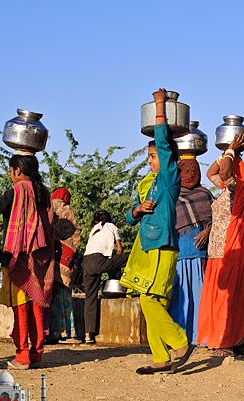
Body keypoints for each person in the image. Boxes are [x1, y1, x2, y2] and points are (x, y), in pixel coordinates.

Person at [120, 88, 194, 374]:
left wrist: (160, 106)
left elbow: (164, 143)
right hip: (146, 248)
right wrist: (137, 211)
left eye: (153, 156)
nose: (150, 161)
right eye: (149, 156)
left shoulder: (168, 176)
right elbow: (130, 215)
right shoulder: (147, 184)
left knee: (149, 300)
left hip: (163, 245)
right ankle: (161, 359)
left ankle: (179, 342)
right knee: (153, 302)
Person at [0, 153, 55, 370]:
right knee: (36, 305)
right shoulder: (43, 192)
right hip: (38, 257)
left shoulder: (17, 190)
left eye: (10, 171)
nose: (10, 175)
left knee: (20, 307)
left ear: (17, 171)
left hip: (18, 256)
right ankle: (36, 355)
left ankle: (22, 356)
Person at [197, 132, 244, 357]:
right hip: (220, 249)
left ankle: (226, 340)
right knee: (230, 296)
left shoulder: (239, 187)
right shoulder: (227, 190)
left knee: (228, 298)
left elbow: (225, 172)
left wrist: (230, 151)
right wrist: (226, 153)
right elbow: (211, 172)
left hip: (230, 249)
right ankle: (231, 338)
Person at [167, 157, 214, 344]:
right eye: (186, 171)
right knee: (181, 297)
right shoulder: (172, 194)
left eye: (193, 171)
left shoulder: (206, 194)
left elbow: (220, 218)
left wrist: (207, 231)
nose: (190, 175)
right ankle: (180, 338)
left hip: (199, 253)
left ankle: (201, 335)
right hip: (179, 251)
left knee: (199, 295)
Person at [82, 209, 128, 344]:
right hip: (99, 261)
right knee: (128, 257)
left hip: (87, 262)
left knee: (89, 299)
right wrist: (116, 267)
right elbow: (119, 250)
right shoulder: (112, 227)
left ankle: (87, 336)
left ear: (96, 221)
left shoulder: (94, 229)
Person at [47, 187, 81, 344]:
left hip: (51, 257)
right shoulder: (67, 209)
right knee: (66, 296)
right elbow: (75, 232)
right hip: (65, 260)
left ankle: (56, 332)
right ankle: (69, 332)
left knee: (53, 297)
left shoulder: (47, 208)